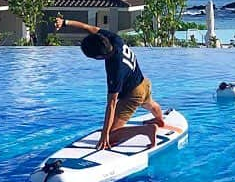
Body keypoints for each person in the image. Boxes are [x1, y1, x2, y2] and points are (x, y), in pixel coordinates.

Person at [53, 16, 173, 150]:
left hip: (133, 95)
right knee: (150, 104)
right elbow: (88, 28)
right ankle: (159, 118)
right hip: (143, 83)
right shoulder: (114, 39)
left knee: (113, 135)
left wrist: (105, 135)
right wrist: (65, 23)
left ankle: (148, 130)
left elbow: (111, 104)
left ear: (99, 57)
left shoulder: (115, 69)